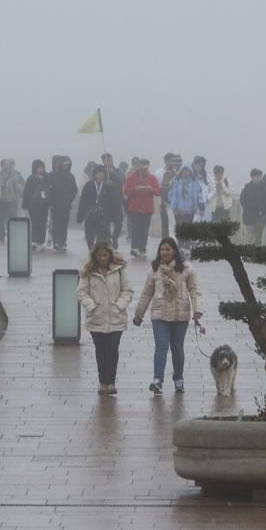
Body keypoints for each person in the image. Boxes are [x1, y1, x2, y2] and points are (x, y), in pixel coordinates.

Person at [133, 238, 204, 395]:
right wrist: (139, 315)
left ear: (174, 251)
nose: (165, 252)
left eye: (168, 249)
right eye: (162, 249)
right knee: (161, 347)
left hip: (181, 315)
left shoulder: (186, 269)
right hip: (160, 315)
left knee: (177, 349)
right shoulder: (154, 270)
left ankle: (178, 378)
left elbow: (195, 290)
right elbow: (146, 293)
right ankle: (157, 379)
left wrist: (197, 309)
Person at [76, 241, 134, 395]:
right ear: (95, 256)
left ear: (110, 255)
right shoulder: (88, 272)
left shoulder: (119, 270)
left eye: (105, 255)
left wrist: (119, 305)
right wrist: (91, 306)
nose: (102, 258)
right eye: (99, 255)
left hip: (116, 317)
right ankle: (103, 381)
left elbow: (127, 290)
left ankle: (111, 382)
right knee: (101, 351)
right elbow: (81, 292)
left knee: (112, 350)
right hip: (96, 318)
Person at [123, 158, 161, 258]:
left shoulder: (152, 178)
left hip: (147, 208)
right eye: (142, 164)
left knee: (144, 229)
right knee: (136, 228)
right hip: (135, 207)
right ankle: (134, 248)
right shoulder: (132, 177)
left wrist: (151, 189)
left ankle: (142, 248)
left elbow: (158, 191)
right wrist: (135, 188)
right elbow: (126, 191)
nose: (144, 167)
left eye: (146, 165)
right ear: (139, 165)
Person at [76, 166, 121, 249]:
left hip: (104, 215)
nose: (100, 175)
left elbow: (113, 203)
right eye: (98, 173)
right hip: (90, 214)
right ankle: (91, 248)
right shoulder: (88, 185)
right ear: (95, 174)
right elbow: (83, 201)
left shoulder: (108, 186)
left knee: (103, 236)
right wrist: (80, 215)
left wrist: (114, 216)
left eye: (102, 173)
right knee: (89, 234)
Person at [48, 156, 78, 252]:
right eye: (65, 164)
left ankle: (63, 242)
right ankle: (56, 242)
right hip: (55, 205)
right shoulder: (52, 176)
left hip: (66, 205)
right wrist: (51, 202)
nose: (67, 166)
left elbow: (75, 190)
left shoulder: (71, 177)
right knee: (56, 224)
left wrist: (70, 198)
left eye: (68, 165)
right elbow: (48, 190)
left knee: (64, 225)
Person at [22, 159, 51, 250]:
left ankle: (41, 242)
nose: (41, 169)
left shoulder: (47, 178)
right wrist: (25, 205)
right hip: (33, 206)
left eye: (42, 167)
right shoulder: (30, 179)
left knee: (43, 224)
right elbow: (26, 192)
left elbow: (50, 191)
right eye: (39, 168)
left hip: (44, 206)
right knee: (34, 223)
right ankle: (33, 241)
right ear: (35, 168)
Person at [0, 158, 25, 242]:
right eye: (6, 164)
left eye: (9, 164)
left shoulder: (15, 174)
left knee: (12, 219)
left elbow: (21, 185)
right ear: (2, 165)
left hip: (12, 201)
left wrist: (19, 195)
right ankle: (1, 236)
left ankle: (12, 235)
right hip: (0, 201)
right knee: (0, 220)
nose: (8, 166)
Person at [101, 153, 125, 249]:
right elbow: (95, 183)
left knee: (119, 223)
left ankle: (115, 238)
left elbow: (122, 180)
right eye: (107, 160)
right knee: (105, 223)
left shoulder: (117, 171)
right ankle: (107, 239)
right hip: (105, 202)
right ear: (103, 161)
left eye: (110, 159)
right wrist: (104, 183)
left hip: (117, 201)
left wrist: (112, 173)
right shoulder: (100, 171)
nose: (109, 161)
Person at [156, 153, 182, 239]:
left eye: (179, 161)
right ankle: (166, 245)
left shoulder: (185, 173)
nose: (177, 163)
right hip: (168, 203)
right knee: (167, 225)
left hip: (182, 205)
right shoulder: (167, 174)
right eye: (175, 161)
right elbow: (163, 189)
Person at [240, 168, 266, 245]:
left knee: (259, 238)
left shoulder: (264, 188)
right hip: (250, 217)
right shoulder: (247, 188)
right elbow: (243, 201)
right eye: (255, 176)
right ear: (252, 177)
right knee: (250, 238)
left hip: (261, 218)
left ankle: (258, 255)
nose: (257, 178)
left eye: (259, 176)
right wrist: (252, 209)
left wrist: (264, 213)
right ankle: (249, 255)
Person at [191, 156, 213, 222]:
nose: (197, 166)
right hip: (193, 204)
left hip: (206, 205)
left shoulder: (208, 176)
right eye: (196, 164)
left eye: (199, 165)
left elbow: (213, 190)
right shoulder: (190, 174)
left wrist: (207, 198)